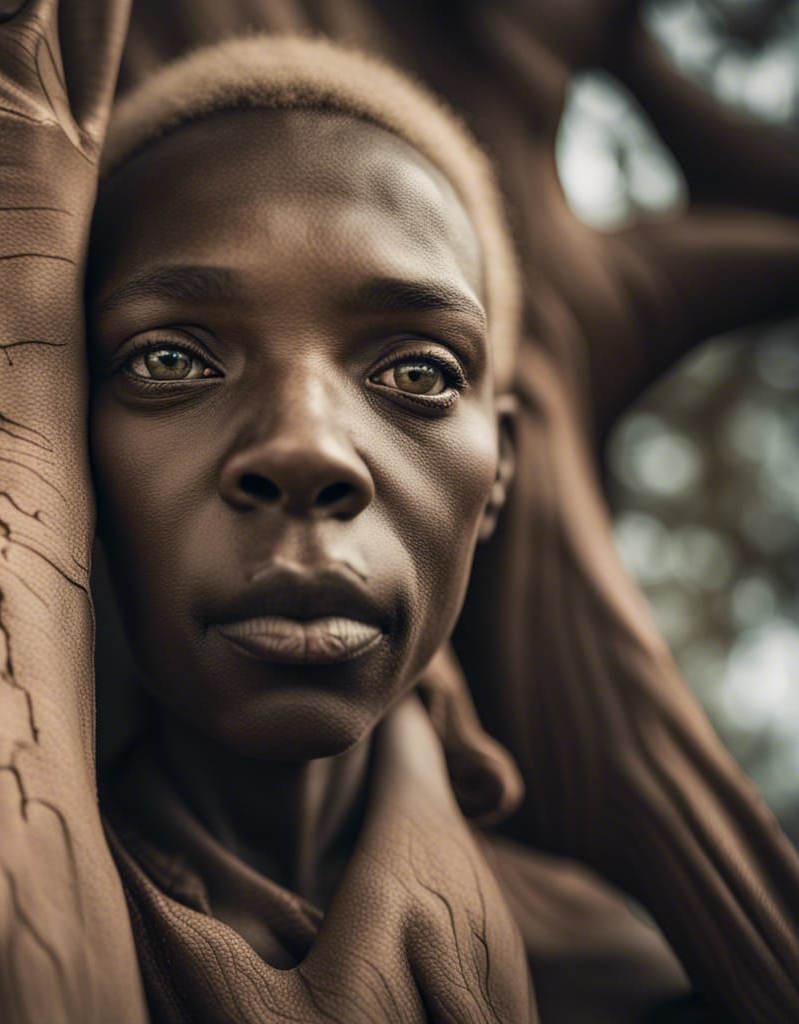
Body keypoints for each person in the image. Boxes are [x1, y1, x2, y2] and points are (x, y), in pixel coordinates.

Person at [84, 35, 707, 1022]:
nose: (306, 449)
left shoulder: (623, 981)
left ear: (495, 467)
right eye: (168, 360)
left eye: (417, 372)